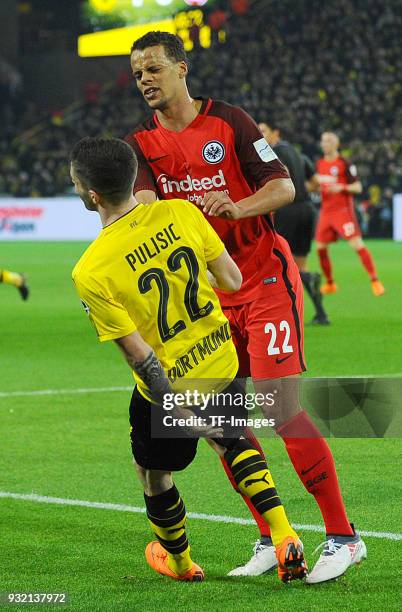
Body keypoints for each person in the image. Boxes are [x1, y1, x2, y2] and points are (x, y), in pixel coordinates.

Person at [125, 31, 366, 584]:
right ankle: (269, 535)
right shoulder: (139, 142)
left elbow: (282, 189)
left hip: (262, 281)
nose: (145, 79)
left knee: (280, 407)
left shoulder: (229, 121)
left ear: (182, 70)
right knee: (223, 419)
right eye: (138, 72)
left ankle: (344, 537)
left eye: (154, 68)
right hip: (210, 299)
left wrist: (235, 207)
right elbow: (142, 206)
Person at [70, 136, 307, 584]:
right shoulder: (181, 211)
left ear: (91, 194)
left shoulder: (91, 270)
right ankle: (284, 533)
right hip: (221, 360)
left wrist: (174, 406)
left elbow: (139, 357)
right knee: (233, 442)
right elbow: (233, 279)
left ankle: (180, 562)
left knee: (153, 473)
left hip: (171, 386)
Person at [258, 121, 329, 325]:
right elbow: (315, 182)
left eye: (263, 131)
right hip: (307, 210)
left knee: (277, 263)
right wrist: (301, 187)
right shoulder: (298, 154)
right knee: (300, 265)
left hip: (288, 211)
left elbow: (284, 176)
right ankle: (321, 313)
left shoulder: (272, 153)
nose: (260, 135)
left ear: (275, 133)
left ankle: (282, 314)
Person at [314, 132, 385, 296]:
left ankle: (375, 281)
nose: (325, 144)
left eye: (329, 141)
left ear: (336, 143)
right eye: (323, 141)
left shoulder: (344, 163)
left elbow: (358, 187)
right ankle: (330, 283)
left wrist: (342, 187)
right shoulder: (320, 164)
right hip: (326, 212)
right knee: (320, 248)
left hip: (342, 212)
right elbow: (318, 185)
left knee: (357, 244)